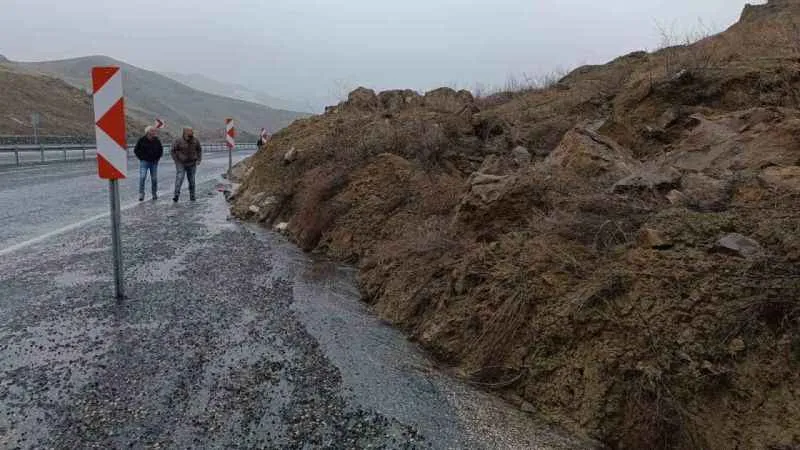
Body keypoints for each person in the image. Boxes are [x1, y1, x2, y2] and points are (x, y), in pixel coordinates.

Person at [171, 127, 202, 202]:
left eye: (192, 131)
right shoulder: (178, 140)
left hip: (192, 163)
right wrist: (176, 160)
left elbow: (199, 150)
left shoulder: (195, 140)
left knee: (191, 180)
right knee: (180, 178)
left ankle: (192, 196)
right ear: (185, 132)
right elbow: (173, 151)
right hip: (181, 163)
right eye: (190, 131)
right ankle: (176, 195)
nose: (191, 132)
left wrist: (199, 159)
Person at [133, 126, 164, 201]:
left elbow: (161, 150)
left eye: (154, 131)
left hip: (154, 162)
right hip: (144, 162)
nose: (153, 132)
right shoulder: (141, 140)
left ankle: (154, 193)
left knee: (154, 179)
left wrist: (157, 158)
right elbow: (136, 150)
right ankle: (141, 194)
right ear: (147, 132)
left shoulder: (157, 140)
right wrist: (141, 158)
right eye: (152, 131)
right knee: (142, 177)